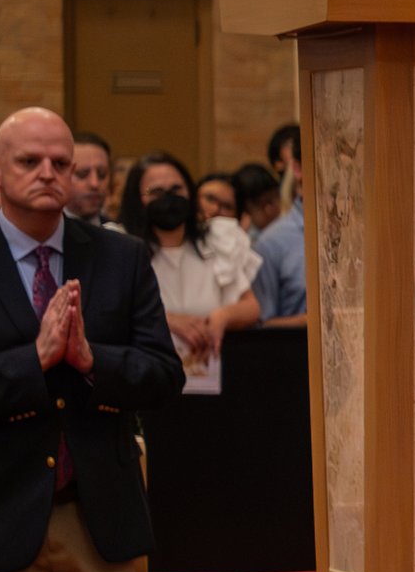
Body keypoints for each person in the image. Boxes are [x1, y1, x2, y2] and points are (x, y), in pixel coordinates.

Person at [0, 109, 185, 572]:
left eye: (61, 162)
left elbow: (164, 374)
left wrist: (92, 361)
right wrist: (35, 359)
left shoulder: (121, 257)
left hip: (99, 517)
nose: (48, 172)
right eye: (30, 161)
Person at [121, 153, 258, 386]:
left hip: (211, 380)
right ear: (137, 199)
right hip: (146, 383)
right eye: (157, 192)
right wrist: (167, 320)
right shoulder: (121, 246)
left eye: (177, 189)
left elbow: (251, 307)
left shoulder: (217, 241)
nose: (169, 198)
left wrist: (222, 317)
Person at [251, 135, 306, 324]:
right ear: (297, 168)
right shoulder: (271, 242)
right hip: (296, 349)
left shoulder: (368, 235)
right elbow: (263, 324)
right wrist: (314, 322)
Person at [66, 133, 115, 227]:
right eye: (82, 174)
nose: (94, 183)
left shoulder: (118, 235)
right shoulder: (46, 235)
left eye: (102, 175)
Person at [232, 163, 283, 238]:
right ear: (245, 212)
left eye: (271, 201)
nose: (269, 210)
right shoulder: (247, 239)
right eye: (260, 204)